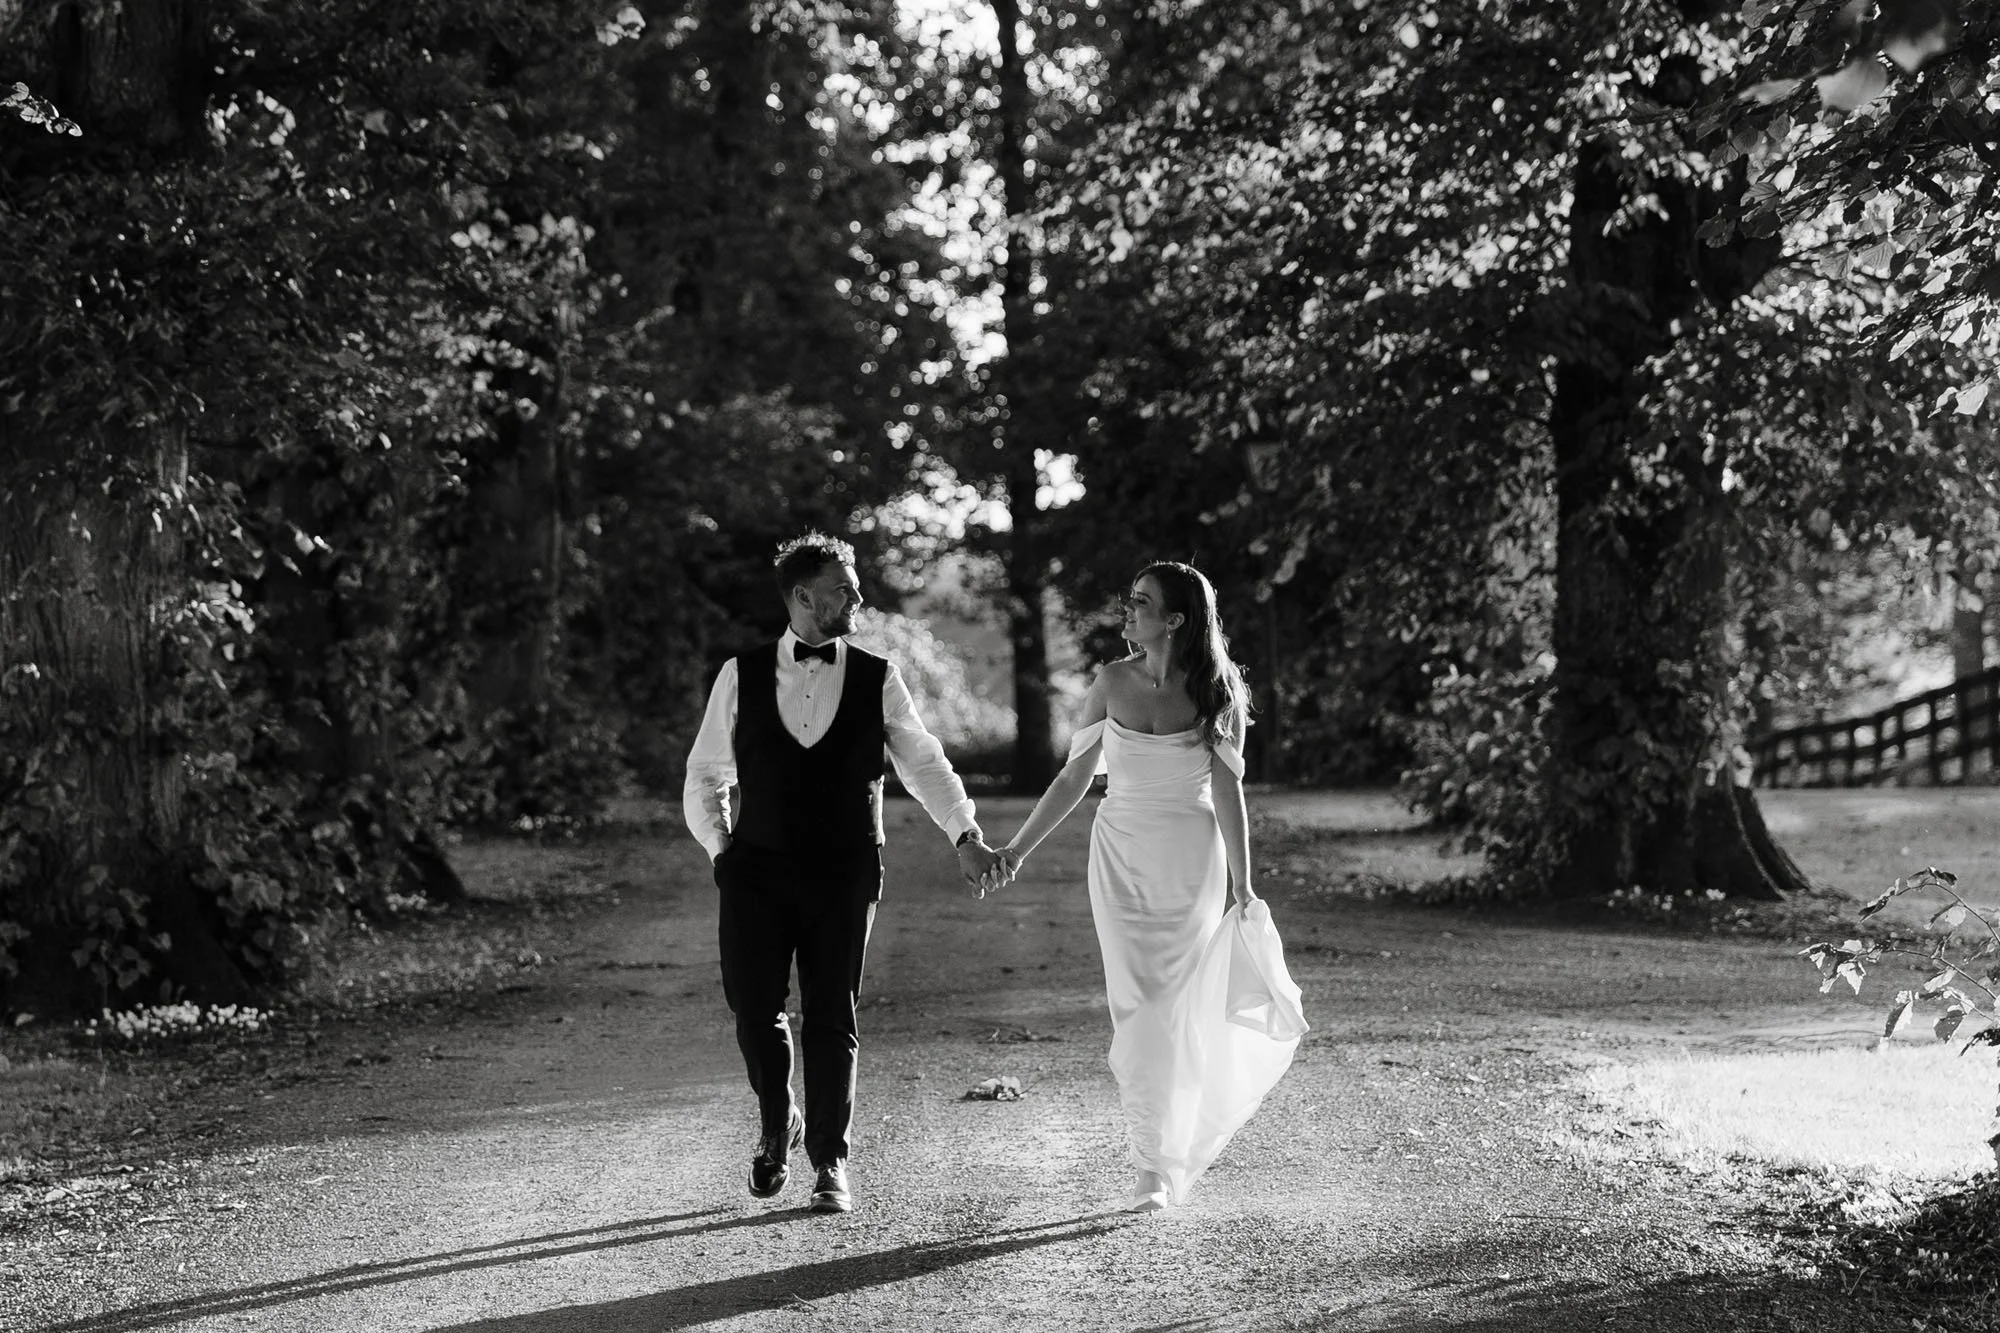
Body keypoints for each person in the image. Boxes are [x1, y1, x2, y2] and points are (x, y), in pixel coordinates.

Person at [683, 532, 1008, 1215]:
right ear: (803, 598)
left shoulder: (875, 675)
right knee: (754, 1009)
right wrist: (723, 853)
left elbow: (922, 760)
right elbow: (706, 773)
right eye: (843, 586)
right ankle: (779, 1121)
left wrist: (965, 833)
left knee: (833, 1013)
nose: (857, 596)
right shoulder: (738, 674)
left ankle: (830, 1161)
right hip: (757, 871)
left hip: (845, 870)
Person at [995, 561, 1301, 1211]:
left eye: (1142, 601)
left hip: (1190, 863)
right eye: (1129, 597)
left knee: (1174, 1006)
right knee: (1134, 1004)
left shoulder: (1218, 691)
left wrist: (1244, 888)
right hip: (1119, 858)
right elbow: (1074, 778)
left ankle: (1162, 1159)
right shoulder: (1110, 681)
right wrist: (1015, 849)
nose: (1127, 609)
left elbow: (1227, 791)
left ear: (1176, 619)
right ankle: (1150, 1164)